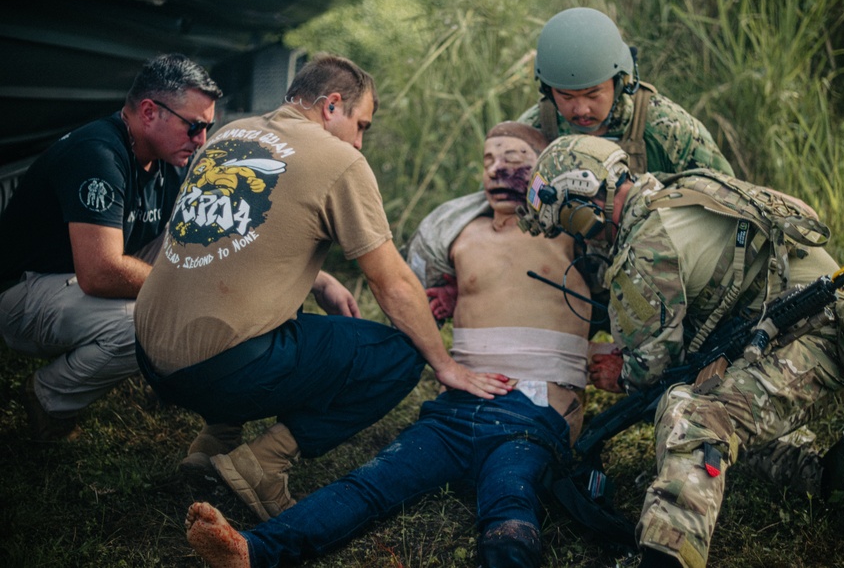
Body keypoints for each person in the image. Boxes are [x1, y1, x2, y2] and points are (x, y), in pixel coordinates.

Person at [183, 122, 593, 568]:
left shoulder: (571, 236)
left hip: (529, 411)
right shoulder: (459, 235)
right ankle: (253, 550)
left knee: (510, 503)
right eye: (488, 162)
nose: (497, 171)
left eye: (513, 162)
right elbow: (433, 289)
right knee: (372, 481)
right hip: (456, 411)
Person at [133, 54, 511, 523]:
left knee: (262, 303)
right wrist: (445, 363)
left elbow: (233, 240)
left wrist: (322, 278)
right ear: (332, 106)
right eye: (362, 125)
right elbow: (391, 283)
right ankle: (264, 464)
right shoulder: (339, 160)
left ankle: (216, 439)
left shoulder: (231, 133)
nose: (360, 141)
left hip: (150, 357)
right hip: (220, 372)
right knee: (399, 355)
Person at [520, 135, 844, 568]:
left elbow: (655, 367)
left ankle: (667, 553)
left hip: (827, 342)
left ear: (581, 201)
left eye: (566, 222)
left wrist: (620, 372)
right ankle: (832, 477)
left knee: (693, 416)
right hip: (840, 329)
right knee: (728, 434)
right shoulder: (675, 192)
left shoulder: (646, 245)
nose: (579, 238)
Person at [0, 53, 222, 441]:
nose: (201, 139)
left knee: (201, 240)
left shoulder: (167, 159)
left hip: (76, 280)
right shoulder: (98, 155)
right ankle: (49, 397)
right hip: (23, 292)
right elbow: (100, 272)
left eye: (208, 127)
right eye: (194, 127)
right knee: (147, 326)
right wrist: (183, 289)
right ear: (150, 112)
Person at [518, 6, 734, 176]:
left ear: (620, 83)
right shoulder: (533, 130)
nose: (582, 109)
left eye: (594, 95)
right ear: (549, 90)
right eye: (566, 96)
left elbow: (729, 201)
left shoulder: (668, 127)